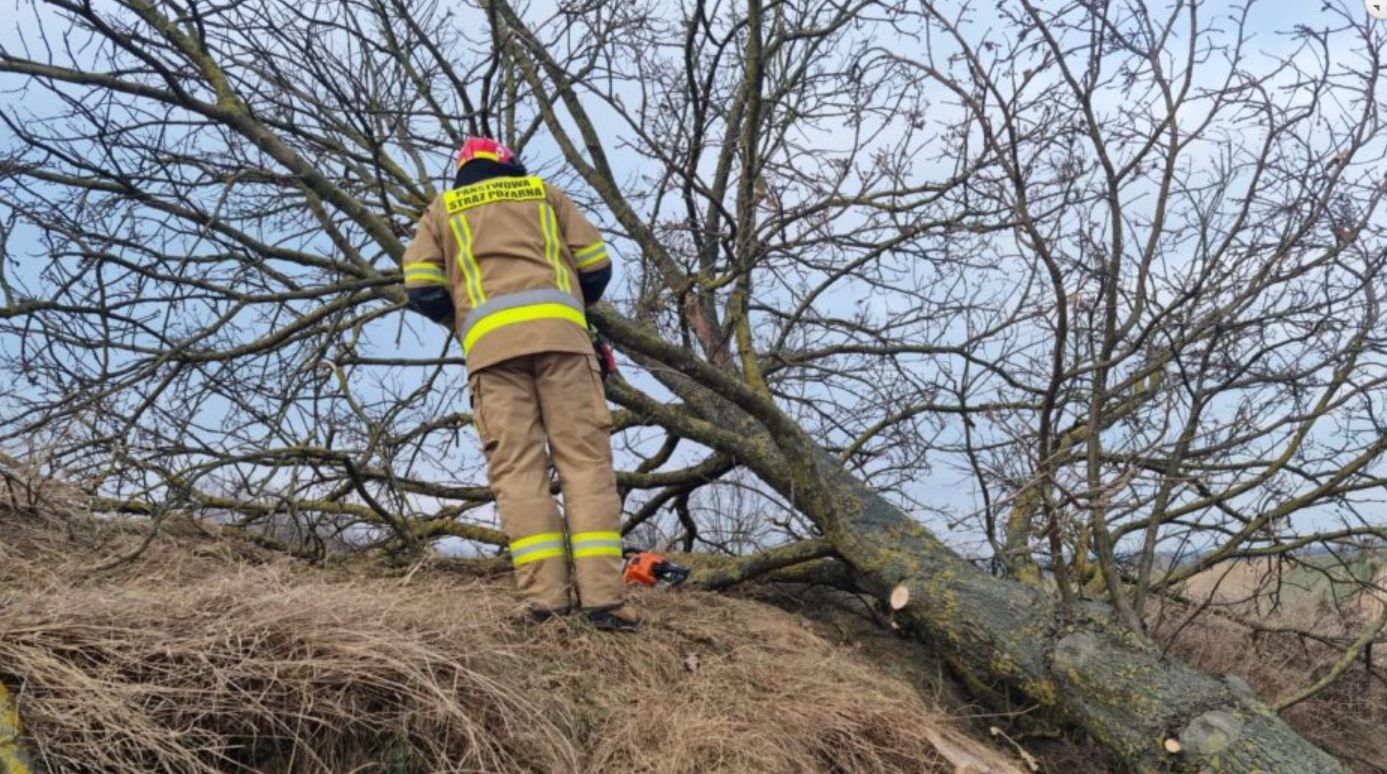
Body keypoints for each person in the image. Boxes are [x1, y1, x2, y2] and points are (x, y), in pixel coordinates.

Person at [400, 136, 638, 631]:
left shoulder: (442, 210)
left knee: (518, 473)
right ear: (508, 163)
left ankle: (544, 602)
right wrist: (570, 303)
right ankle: (605, 602)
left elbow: (421, 285)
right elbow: (596, 264)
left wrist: (466, 322)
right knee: (586, 465)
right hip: (565, 346)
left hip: (491, 356)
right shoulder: (543, 194)